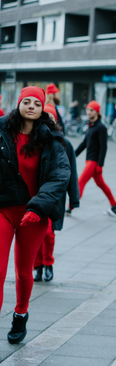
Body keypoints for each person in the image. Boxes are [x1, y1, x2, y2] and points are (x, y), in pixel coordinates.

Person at [0, 86, 70, 344]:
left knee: (23, 272)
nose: (31, 106)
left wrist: (37, 207)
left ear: (42, 108)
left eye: (37, 103)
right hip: (4, 209)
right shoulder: (2, 131)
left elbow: (60, 176)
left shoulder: (51, 139)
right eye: (26, 101)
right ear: (18, 104)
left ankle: (21, 313)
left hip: (34, 214)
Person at [33, 104, 80, 282]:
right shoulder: (33, 140)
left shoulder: (64, 144)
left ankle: (48, 263)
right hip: (35, 194)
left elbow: (71, 173)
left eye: (51, 118)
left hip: (55, 196)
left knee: (49, 233)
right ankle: (37, 266)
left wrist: (74, 199)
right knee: (35, 233)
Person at [75, 101, 116, 217]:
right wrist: (73, 155)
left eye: (91, 110)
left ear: (97, 112)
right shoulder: (90, 125)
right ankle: (114, 205)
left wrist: (100, 165)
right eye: (88, 110)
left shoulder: (101, 127)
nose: (88, 112)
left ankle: (70, 206)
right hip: (89, 160)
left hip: (94, 161)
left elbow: (103, 147)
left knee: (80, 182)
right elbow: (84, 143)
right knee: (101, 184)